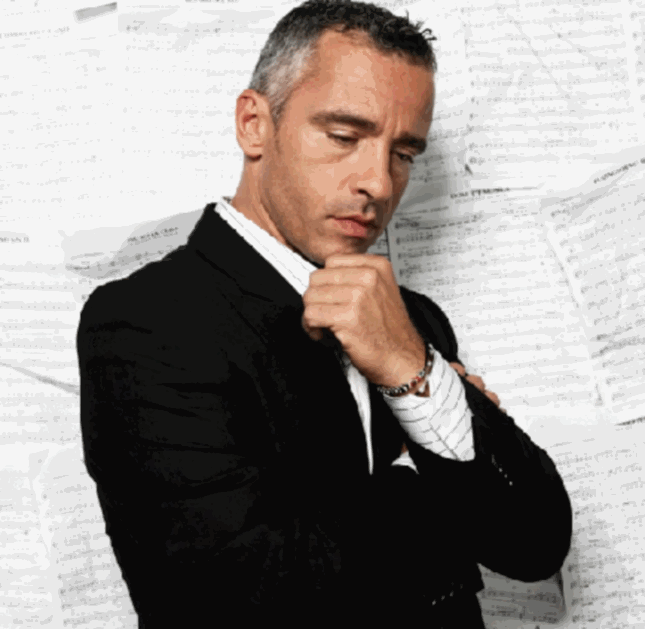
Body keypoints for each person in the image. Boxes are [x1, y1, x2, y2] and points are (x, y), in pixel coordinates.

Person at [77, 1, 572, 626]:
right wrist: (425, 467)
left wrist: (408, 366)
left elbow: (535, 543)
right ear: (255, 125)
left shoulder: (411, 321)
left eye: (404, 153)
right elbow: (230, 602)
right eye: (344, 136)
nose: (379, 183)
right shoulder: (145, 322)